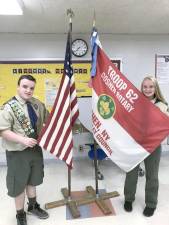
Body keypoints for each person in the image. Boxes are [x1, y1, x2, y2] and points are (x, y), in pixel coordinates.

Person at [0, 75, 49, 225]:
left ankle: (33, 206)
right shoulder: (9, 106)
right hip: (17, 152)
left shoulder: (36, 104)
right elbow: (3, 131)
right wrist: (23, 140)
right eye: (25, 87)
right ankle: (20, 213)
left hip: (34, 149)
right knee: (19, 183)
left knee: (32, 179)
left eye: (31, 88)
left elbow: (48, 119)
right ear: (18, 86)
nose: (28, 90)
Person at [123, 76, 169, 217]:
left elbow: (165, 127)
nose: (148, 89)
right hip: (135, 144)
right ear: (141, 88)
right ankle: (128, 199)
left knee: (152, 175)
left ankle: (151, 204)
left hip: (153, 146)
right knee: (131, 172)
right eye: (145, 87)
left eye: (151, 86)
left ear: (156, 89)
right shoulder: (136, 102)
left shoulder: (162, 105)